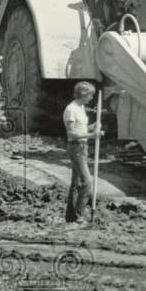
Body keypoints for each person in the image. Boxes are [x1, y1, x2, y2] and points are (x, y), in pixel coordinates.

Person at [63, 82, 100, 223]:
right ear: (84, 95)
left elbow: (80, 130)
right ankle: (78, 215)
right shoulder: (71, 109)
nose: (91, 98)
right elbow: (72, 133)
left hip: (82, 147)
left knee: (75, 184)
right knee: (87, 183)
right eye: (90, 95)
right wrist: (92, 135)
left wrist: (92, 127)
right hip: (76, 147)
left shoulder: (80, 107)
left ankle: (70, 217)